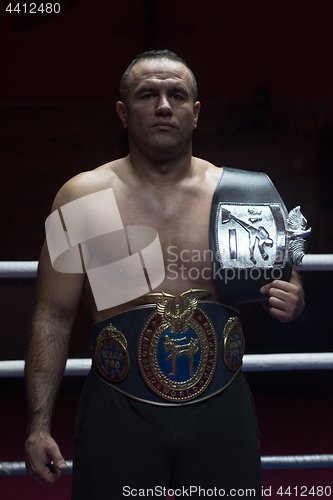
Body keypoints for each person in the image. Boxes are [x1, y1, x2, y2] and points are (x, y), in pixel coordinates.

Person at [24, 50, 305, 499]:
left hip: (221, 410)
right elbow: (52, 316)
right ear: (123, 112)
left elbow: (285, 283)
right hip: (118, 413)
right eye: (147, 94)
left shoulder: (240, 195)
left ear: (194, 113)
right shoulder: (82, 196)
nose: (163, 106)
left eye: (176, 94)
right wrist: (38, 426)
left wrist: (293, 300)